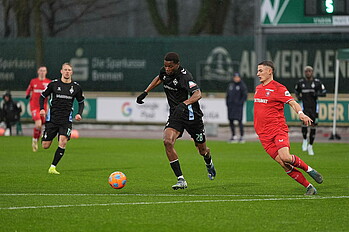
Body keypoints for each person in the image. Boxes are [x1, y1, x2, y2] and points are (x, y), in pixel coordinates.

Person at [136, 52, 216, 190]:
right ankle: (181, 179)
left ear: (177, 65)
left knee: (202, 150)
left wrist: (184, 104)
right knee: (167, 141)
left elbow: (198, 94)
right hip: (176, 116)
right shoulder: (165, 71)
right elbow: (159, 78)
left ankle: (208, 161)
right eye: (165, 66)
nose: (167, 69)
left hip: (192, 117)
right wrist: (146, 92)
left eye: (170, 66)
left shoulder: (185, 77)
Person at [254, 61, 323, 195]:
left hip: (277, 130)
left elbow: (292, 102)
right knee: (283, 163)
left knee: (285, 157)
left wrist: (301, 114)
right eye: (258, 71)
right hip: (263, 135)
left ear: (270, 71)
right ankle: (309, 187)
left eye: (260, 71)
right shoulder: (258, 88)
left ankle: (309, 170)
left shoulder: (278, 88)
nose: (258, 74)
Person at [40, 63, 84, 174]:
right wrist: (41, 109)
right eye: (65, 70)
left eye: (69, 70)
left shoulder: (76, 87)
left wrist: (79, 113)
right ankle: (47, 135)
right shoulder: (53, 84)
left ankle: (53, 167)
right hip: (52, 119)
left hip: (66, 121)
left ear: (72, 72)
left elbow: (81, 102)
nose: (67, 72)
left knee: (63, 142)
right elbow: (42, 96)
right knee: (45, 145)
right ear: (61, 71)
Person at [294, 66, 326, 155]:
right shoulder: (301, 83)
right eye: (306, 71)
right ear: (304, 73)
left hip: (314, 107)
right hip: (304, 106)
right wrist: (298, 96)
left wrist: (317, 94)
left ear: (312, 72)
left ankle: (310, 145)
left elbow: (324, 92)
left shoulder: (317, 82)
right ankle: (304, 139)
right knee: (304, 123)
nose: (308, 73)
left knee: (313, 125)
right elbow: (296, 90)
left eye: (309, 71)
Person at [26, 66, 51, 151]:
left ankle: (36, 138)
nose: (42, 72)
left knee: (41, 125)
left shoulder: (48, 82)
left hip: (43, 107)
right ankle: (34, 140)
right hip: (34, 106)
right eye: (41, 70)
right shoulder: (33, 81)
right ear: (38, 71)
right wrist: (27, 94)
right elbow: (29, 90)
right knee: (38, 124)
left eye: (44, 70)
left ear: (46, 72)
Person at [226, 72, 248, 143]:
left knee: (239, 121)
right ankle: (233, 136)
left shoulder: (242, 86)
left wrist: (240, 103)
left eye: (237, 77)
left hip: (238, 107)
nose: (236, 78)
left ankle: (242, 136)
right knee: (231, 121)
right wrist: (228, 103)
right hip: (231, 107)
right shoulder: (231, 85)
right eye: (235, 77)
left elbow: (244, 96)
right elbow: (227, 95)